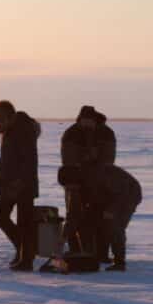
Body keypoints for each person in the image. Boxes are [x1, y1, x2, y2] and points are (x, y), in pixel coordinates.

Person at [0, 100, 41, 271]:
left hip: (22, 185)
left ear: (5, 116)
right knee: (1, 218)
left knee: (24, 223)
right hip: (8, 184)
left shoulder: (23, 130)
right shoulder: (8, 131)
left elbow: (29, 161)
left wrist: (20, 182)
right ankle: (24, 251)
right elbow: (4, 158)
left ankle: (26, 259)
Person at [60, 105, 117, 257]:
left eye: (89, 121)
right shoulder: (71, 133)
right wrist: (73, 184)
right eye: (83, 121)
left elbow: (108, 161)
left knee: (99, 216)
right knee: (74, 215)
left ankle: (100, 253)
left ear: (94, 120)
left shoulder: (106, 133)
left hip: (99, 182)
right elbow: (69, 161)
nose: (86, 124)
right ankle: (75, 250)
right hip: (74, 181)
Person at [90, 164, 142, 271]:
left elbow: (120, 194)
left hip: (130, 195)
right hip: (113, 196)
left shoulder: (104, 176)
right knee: (102, 223)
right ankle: (102, 256)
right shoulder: (89, 178)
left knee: (115, 227)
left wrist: (110, 210)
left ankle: (119, 262)